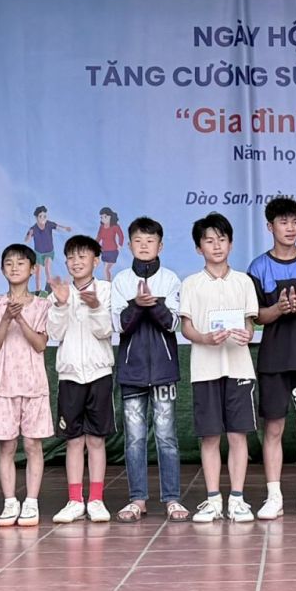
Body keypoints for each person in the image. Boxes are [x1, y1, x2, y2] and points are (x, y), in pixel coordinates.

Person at [248, 197, 296, 520]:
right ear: (270, 227)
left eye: (295, 222)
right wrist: (278, 309)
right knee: (273, 429)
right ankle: (274, 496)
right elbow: (256, 316)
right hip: (273, 359)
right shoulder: (258, 267)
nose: (290, 228)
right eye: (283, 222)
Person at [181, 212, 261, 523]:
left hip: (239, 369)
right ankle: (213, 499)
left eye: (222, 240)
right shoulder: (191, 283)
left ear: (231, 244)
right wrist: (204, 338)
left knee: (238, 435)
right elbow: (186, 327)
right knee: (210, 436)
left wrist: (247, 334)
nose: (217, 246)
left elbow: (250, 324)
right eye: (209, 241)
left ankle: (237, 499)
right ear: (198, 247)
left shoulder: (243, 281)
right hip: (205, 370)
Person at [110, 217, 188, 522]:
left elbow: (173, 322)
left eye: (150, 241)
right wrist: (137, 305)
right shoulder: (120, 281)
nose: (144, 246)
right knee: (134, 439)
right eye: (138, 241)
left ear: (161, 245)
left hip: (164, 371)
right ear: (129, 245)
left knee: (166, 437)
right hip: (132, 372)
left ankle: (172, 498)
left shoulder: (171, 279)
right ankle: (137, 499)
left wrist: (152, 303)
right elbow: (119, 324)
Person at [0, 244, 52, 527]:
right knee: (7, 446)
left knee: (33, 445)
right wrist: (6, 318)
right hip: (4, 384)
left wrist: (20, 318)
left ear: (33, 269)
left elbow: (40, 344)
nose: (14, 268)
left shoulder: (43, 305)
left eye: (21, 263)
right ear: (2, 270)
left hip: (34, 384)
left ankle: (31, 502)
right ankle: (10, 501)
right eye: (9, 263)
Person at [48, 235, 115, 523]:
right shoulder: (59, 292)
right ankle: (75, 500)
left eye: (82, 256)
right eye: (71, 257)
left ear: (96, 261)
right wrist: (61, 304)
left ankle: (96, 499)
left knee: (96, 440)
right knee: (73, 441)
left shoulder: (107, 290)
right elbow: (55, 333)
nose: (76, 262)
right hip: (70, 375)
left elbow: (105, 331)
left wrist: (96, 306)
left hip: (99, 373)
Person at [24, 206, 70, 293]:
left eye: (44, 216)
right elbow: (26, 240)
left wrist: (65, 228)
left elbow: (57, 226)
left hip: (49, 252)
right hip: (38, 254)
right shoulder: (33, 229)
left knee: (47, 268)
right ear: (36, 218)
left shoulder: (49, 224)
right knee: (38, 273)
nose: (43, 218)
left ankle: (49, 286)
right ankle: (38, 290)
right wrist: (29, 235)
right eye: (40, 216)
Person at [97, 208, 124, 281]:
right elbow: (99, 237)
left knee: (106, 269)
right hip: (104, 251)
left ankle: (108, 283)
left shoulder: (115, 226)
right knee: (105, 269)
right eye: (102, 217)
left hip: (112, 251)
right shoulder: (101, 227)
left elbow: (121, 235)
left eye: (105, 217)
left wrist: (120, 245)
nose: (103, 219)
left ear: (110, 216)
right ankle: (108, 282)